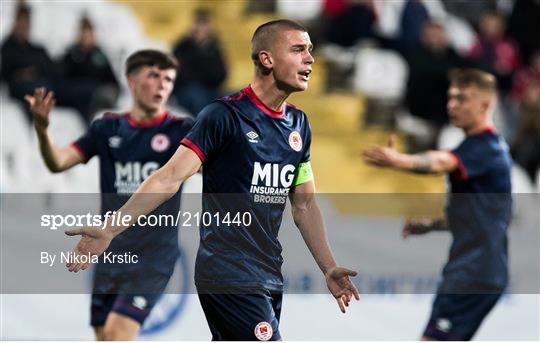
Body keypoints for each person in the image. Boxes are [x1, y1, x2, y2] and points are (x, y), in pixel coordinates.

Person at [64, 19, 360, 341]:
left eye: (310, 50)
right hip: (227, 272)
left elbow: (304, 205)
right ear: (267, 59)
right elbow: (169, 177)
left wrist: (328, 267)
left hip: (269, 275)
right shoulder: (223, 116)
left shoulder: (299, 125)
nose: (310, 59)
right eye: (298, 49)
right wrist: (111, 227)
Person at [25, 50, 194, 340]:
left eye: (168, 79)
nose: (162, 85)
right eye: (154, 76)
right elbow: (58, 162)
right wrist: (42, 129)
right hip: (109, 252)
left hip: (153, 258)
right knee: (104, 336)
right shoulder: (106, 128)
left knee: (117, 335)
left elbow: (215, 166)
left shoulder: (183, 131)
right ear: (131, 80)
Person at [363, 68, 512, 340]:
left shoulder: (483, 148)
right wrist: (432, 225)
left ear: (485, 105)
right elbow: (481, 215)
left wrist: (400, 161)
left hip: (473, 272)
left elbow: (443, 162)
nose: (452, 105)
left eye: (462, 99)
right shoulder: (489, 149)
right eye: (451, 97)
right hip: (481, 270)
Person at [56, 16, 120, 123]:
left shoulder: (99, 54)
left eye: (89, 33)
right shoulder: (72, 54)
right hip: (78, 94)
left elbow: (112, 80)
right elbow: (62, 78)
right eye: (84, 33)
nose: (86, 37)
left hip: (97, 93)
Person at [1, 3, 57, 123]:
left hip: (40, 84)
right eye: (21, 21)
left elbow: (51, 68)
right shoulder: (8, 47)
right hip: (20, 87)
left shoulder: (36, 49)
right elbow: (6, 72)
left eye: (26, 22)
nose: (24, 25)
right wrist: (21, 74)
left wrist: (34, 72)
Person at [172, 8, 228, 116]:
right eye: (198, 23)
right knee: (197, 95)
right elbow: (183, 75)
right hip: (187, 91)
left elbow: (221, 74)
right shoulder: (182, 47)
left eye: (204, 23)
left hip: (210, 89)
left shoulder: (215, 48)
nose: (201, 28)